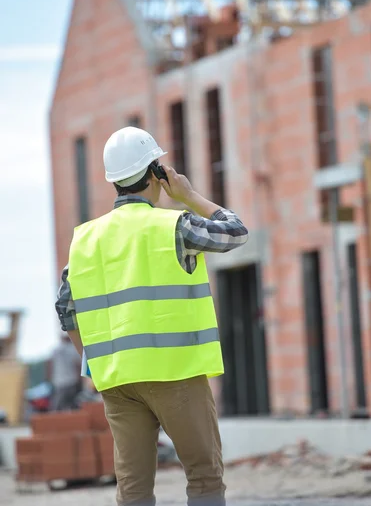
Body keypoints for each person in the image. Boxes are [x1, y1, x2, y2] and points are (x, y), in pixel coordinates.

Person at [55, 126, 249, 506]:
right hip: (175, 374)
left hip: (118, 383)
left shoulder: (86, 240)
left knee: (133, 490)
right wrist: (189, 195)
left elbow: (65, 310)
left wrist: (94, 364)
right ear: (155, 172)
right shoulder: (173, 225)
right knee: (205, 478)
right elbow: (235, 231)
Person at [48, 334, 81, 411]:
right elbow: (78, 366)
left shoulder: (55, 350)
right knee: (71, 404)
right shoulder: (73, 349)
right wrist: (80, 379)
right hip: (71, 381)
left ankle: (55, 420)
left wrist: (49, 378)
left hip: (58, 381)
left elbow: (49, 365)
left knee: (57, 405)